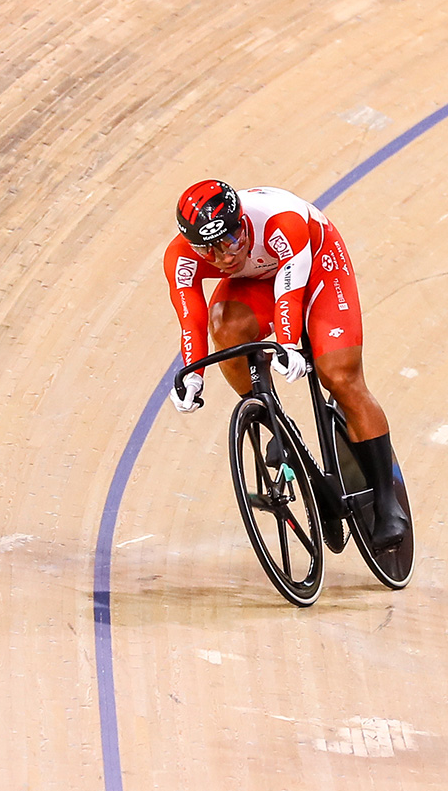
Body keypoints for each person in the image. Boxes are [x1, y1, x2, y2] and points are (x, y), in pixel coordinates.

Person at [164, 179, 408, 549]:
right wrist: (193, 374)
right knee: (224, 328)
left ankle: (388, 502)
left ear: (243, 221)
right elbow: (191, 320)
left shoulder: (282, 221)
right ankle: (275, 421)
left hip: (315, 266)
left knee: (338, 376)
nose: (224, 257)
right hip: (259, 280)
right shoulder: (180, 257)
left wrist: (289, 344)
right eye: (209, 251)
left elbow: (291, 291)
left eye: (229, 241)